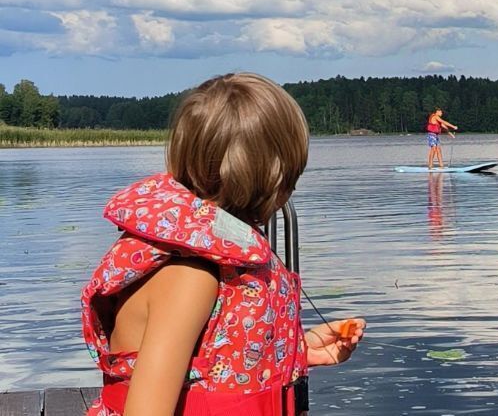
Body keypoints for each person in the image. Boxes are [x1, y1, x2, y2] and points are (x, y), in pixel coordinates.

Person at [80, 73, 364, 416]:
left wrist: (298, 350)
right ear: (273, 178)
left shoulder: (214, 260)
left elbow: (213, 364)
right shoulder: (189, 276)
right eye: (292, 177)